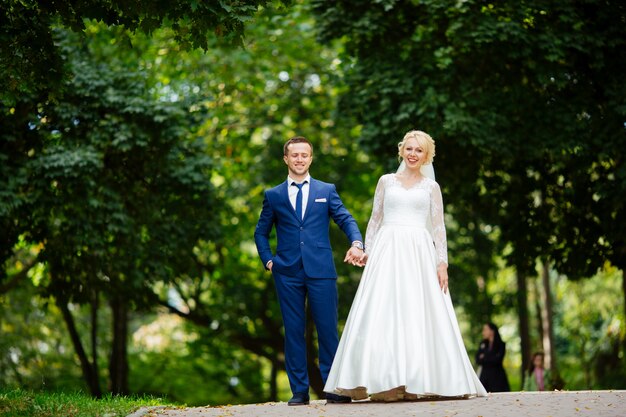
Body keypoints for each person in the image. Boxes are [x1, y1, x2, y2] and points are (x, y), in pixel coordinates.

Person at [324, 130, 487, 401]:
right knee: (384, 312)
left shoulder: (431, 187)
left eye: (418, 150)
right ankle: (386, 381)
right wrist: (367, 251)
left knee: (417, 312)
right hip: (387, 251)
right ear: (402, 151)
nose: (412, 154)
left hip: (419, 252)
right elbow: (375, 219)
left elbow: (438, 228)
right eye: (409, 149)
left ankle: (416, 381)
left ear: (426, 156)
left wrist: (442, 263)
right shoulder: (386, 182)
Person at [254, 136, 365, 406]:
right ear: (286, 159)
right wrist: (269, 261)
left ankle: (333, 388)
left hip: (321, 270)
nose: (300, 159)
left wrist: (357, 243)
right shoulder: (274, 195)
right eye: (295, 155)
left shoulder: (326, 190)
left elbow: (345, 218)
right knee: (293, 331)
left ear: (311, 158)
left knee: (327, 330)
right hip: (287, 272)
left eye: (305, 155)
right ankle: (299, 391)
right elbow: (260, 232)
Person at [475, 322, 511, 392]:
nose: (483, 333)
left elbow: (497, 360)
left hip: (498, 379)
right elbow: (477, 360)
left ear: (492, 331)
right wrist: (491, 357)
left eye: (485, 330)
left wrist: (484, 357)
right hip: (484, 380)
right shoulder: (483, 344)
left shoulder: (501, 345)